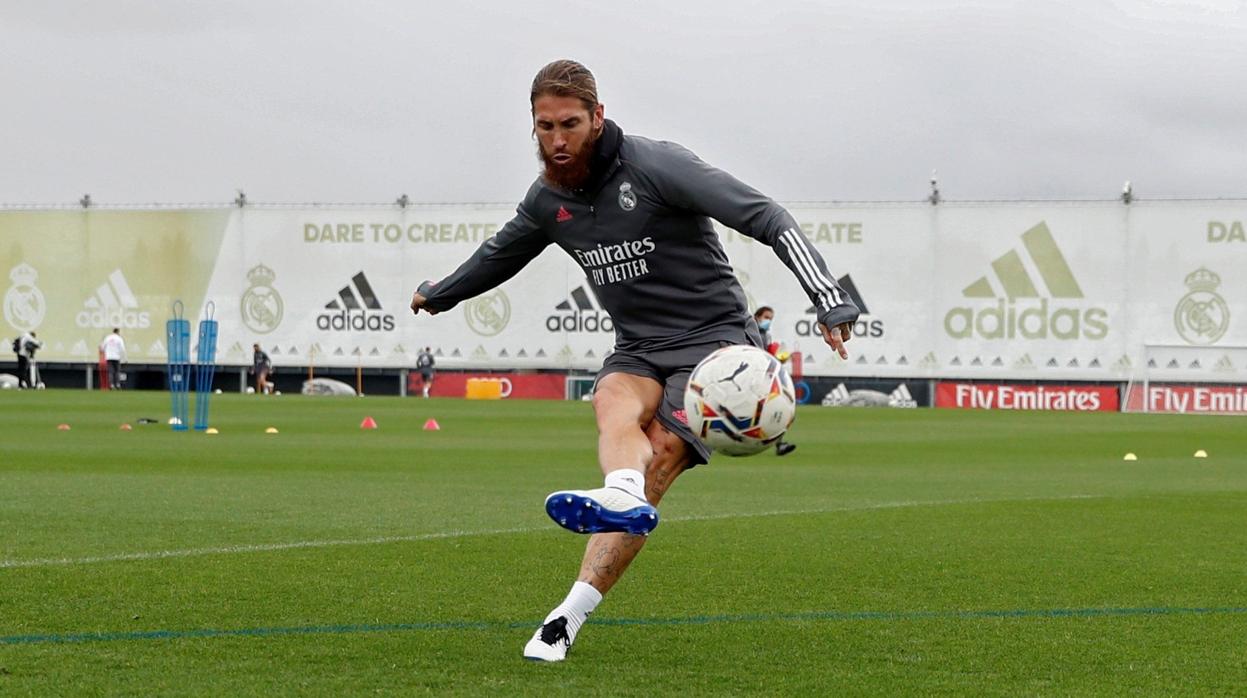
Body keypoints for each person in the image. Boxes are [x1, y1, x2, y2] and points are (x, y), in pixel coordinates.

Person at [409, 59, 859, 662]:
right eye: (544, 127)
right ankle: (620, 490)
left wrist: (829, 298)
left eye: (570, 123)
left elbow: (766, 216)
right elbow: (500, 254)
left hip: (714, 345)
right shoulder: (548, 201)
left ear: (598, 117)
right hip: (640, 347)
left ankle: (566, 617)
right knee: (613, 402)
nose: (557, 139)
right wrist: (441, 294)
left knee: (663, 453)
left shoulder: (657, 165)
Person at [753, 306, 797, 456]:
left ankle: (779, 443)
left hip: (764, 380)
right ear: (757, 316)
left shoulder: (766, 334)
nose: (768, 321)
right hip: (751, 380)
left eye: (770, 318)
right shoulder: (749, 331)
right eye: (766, 317)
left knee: (779, 410)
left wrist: (777, 358)